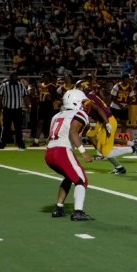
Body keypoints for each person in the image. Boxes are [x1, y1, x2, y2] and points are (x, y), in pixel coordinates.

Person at [44, 89, 93, 220]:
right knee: (82, 180)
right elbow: (73, 132)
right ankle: (78, 212)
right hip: (62, 150)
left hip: (49, 152)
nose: (84, 105)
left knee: (70, 177)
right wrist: (83, 151)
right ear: (76, 102)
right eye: (82, 102)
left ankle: (59, 208)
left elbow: (50, 136)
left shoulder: (57, 115)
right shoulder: (79, 113)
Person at [0, 71, 28, 149]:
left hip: (17, 110)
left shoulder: (21, 85)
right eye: (13, 77)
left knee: (18, 128)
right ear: (10, 78)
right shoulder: (4, 86)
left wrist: (28, 106)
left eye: (16, 77)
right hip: (7, 110)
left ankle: (20, 144)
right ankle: (2, 144)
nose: (15, 78)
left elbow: (25, 97)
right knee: (6, 127)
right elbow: (0, 97)